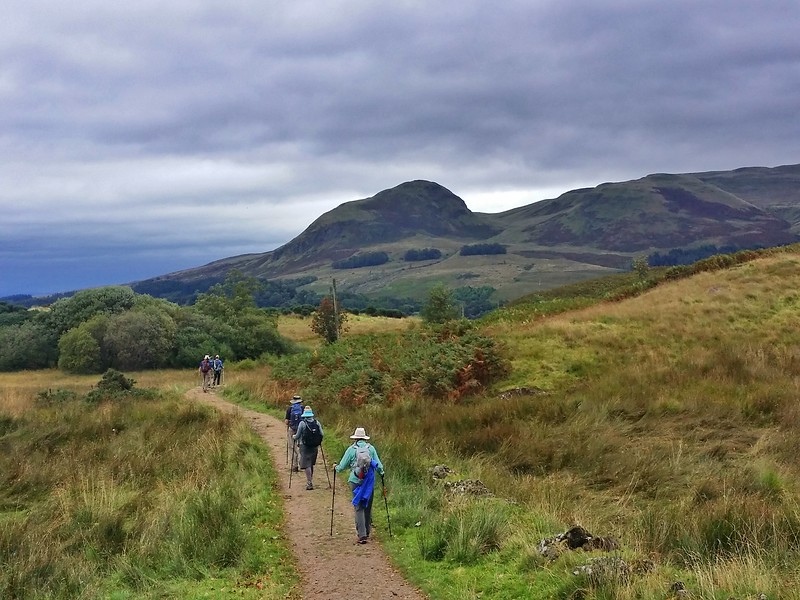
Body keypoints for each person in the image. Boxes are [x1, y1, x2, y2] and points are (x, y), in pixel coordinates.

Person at [334, 426, 384, 544]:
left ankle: (362, 535)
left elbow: (342, 466)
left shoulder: (351, 449)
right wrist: (382, 473)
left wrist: (335, 468)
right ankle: (367, 531)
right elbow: (379, 465)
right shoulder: (371, 449)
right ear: (365, 438)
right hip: (369, 482)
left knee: (359, 507)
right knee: (367, 505)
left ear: (355, 438)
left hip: (355, 481)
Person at [293, 406, 324, 490]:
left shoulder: (302, 423)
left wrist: (294, 437)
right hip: (315, 446)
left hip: (304, 446)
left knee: (306, 465)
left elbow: (297, 436)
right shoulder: (317, 422)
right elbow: (322, 434)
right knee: (310, 463)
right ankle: (310, 480)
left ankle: (309, 483)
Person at [284, 395, 304, 472]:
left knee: (292, 447)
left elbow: (286, 421)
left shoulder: (290, 409)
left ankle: (294, 466)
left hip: (292, 429)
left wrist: (289, 423)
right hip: (301, 429)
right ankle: (301, 463)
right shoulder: (302, 408)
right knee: (300, 446)